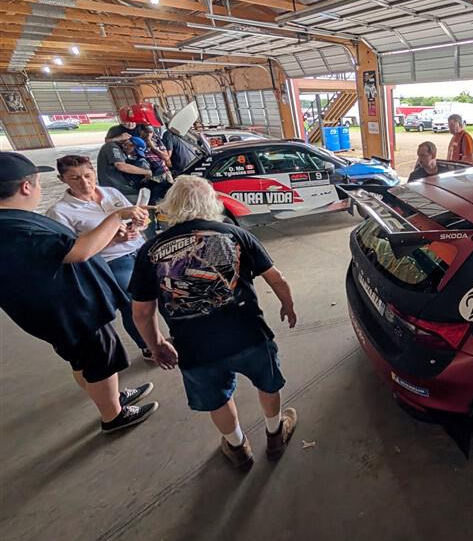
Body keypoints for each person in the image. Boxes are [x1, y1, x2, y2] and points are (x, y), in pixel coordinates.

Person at [130, 175, 298, 469]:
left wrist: (156, 345)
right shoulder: (235, 234)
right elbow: (277, 278)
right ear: (212, 202)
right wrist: (288, 304)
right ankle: (275, 433)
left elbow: (142, 312)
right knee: (268, 383)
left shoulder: (150, 251)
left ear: (170, 205)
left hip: (193, 345)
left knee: (217, 399)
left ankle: (237, 447)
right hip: (249, 333)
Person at [0, 151, 158, 433]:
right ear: (26, 187)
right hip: (71, 310)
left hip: (64, 308)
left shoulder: (14, 220)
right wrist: (117, 217)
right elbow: (78, 251)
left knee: (85, 359)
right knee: (99, 360)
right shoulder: (16, 228)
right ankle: (114, 415)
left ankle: (111, 398)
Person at [47, 155, 153, 361]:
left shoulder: (111, 192)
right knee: (133, 302)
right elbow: (73, 251)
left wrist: (140, 224)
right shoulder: (60, 212)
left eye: (88, 175)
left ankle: (173, 336)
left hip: (141, 249)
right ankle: (148, 345)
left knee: (165, 292)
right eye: (75, 178)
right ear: (62, 180)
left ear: (94, 172)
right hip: (111, 260)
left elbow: (137, 216)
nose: (85, 182)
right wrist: (113, 240)